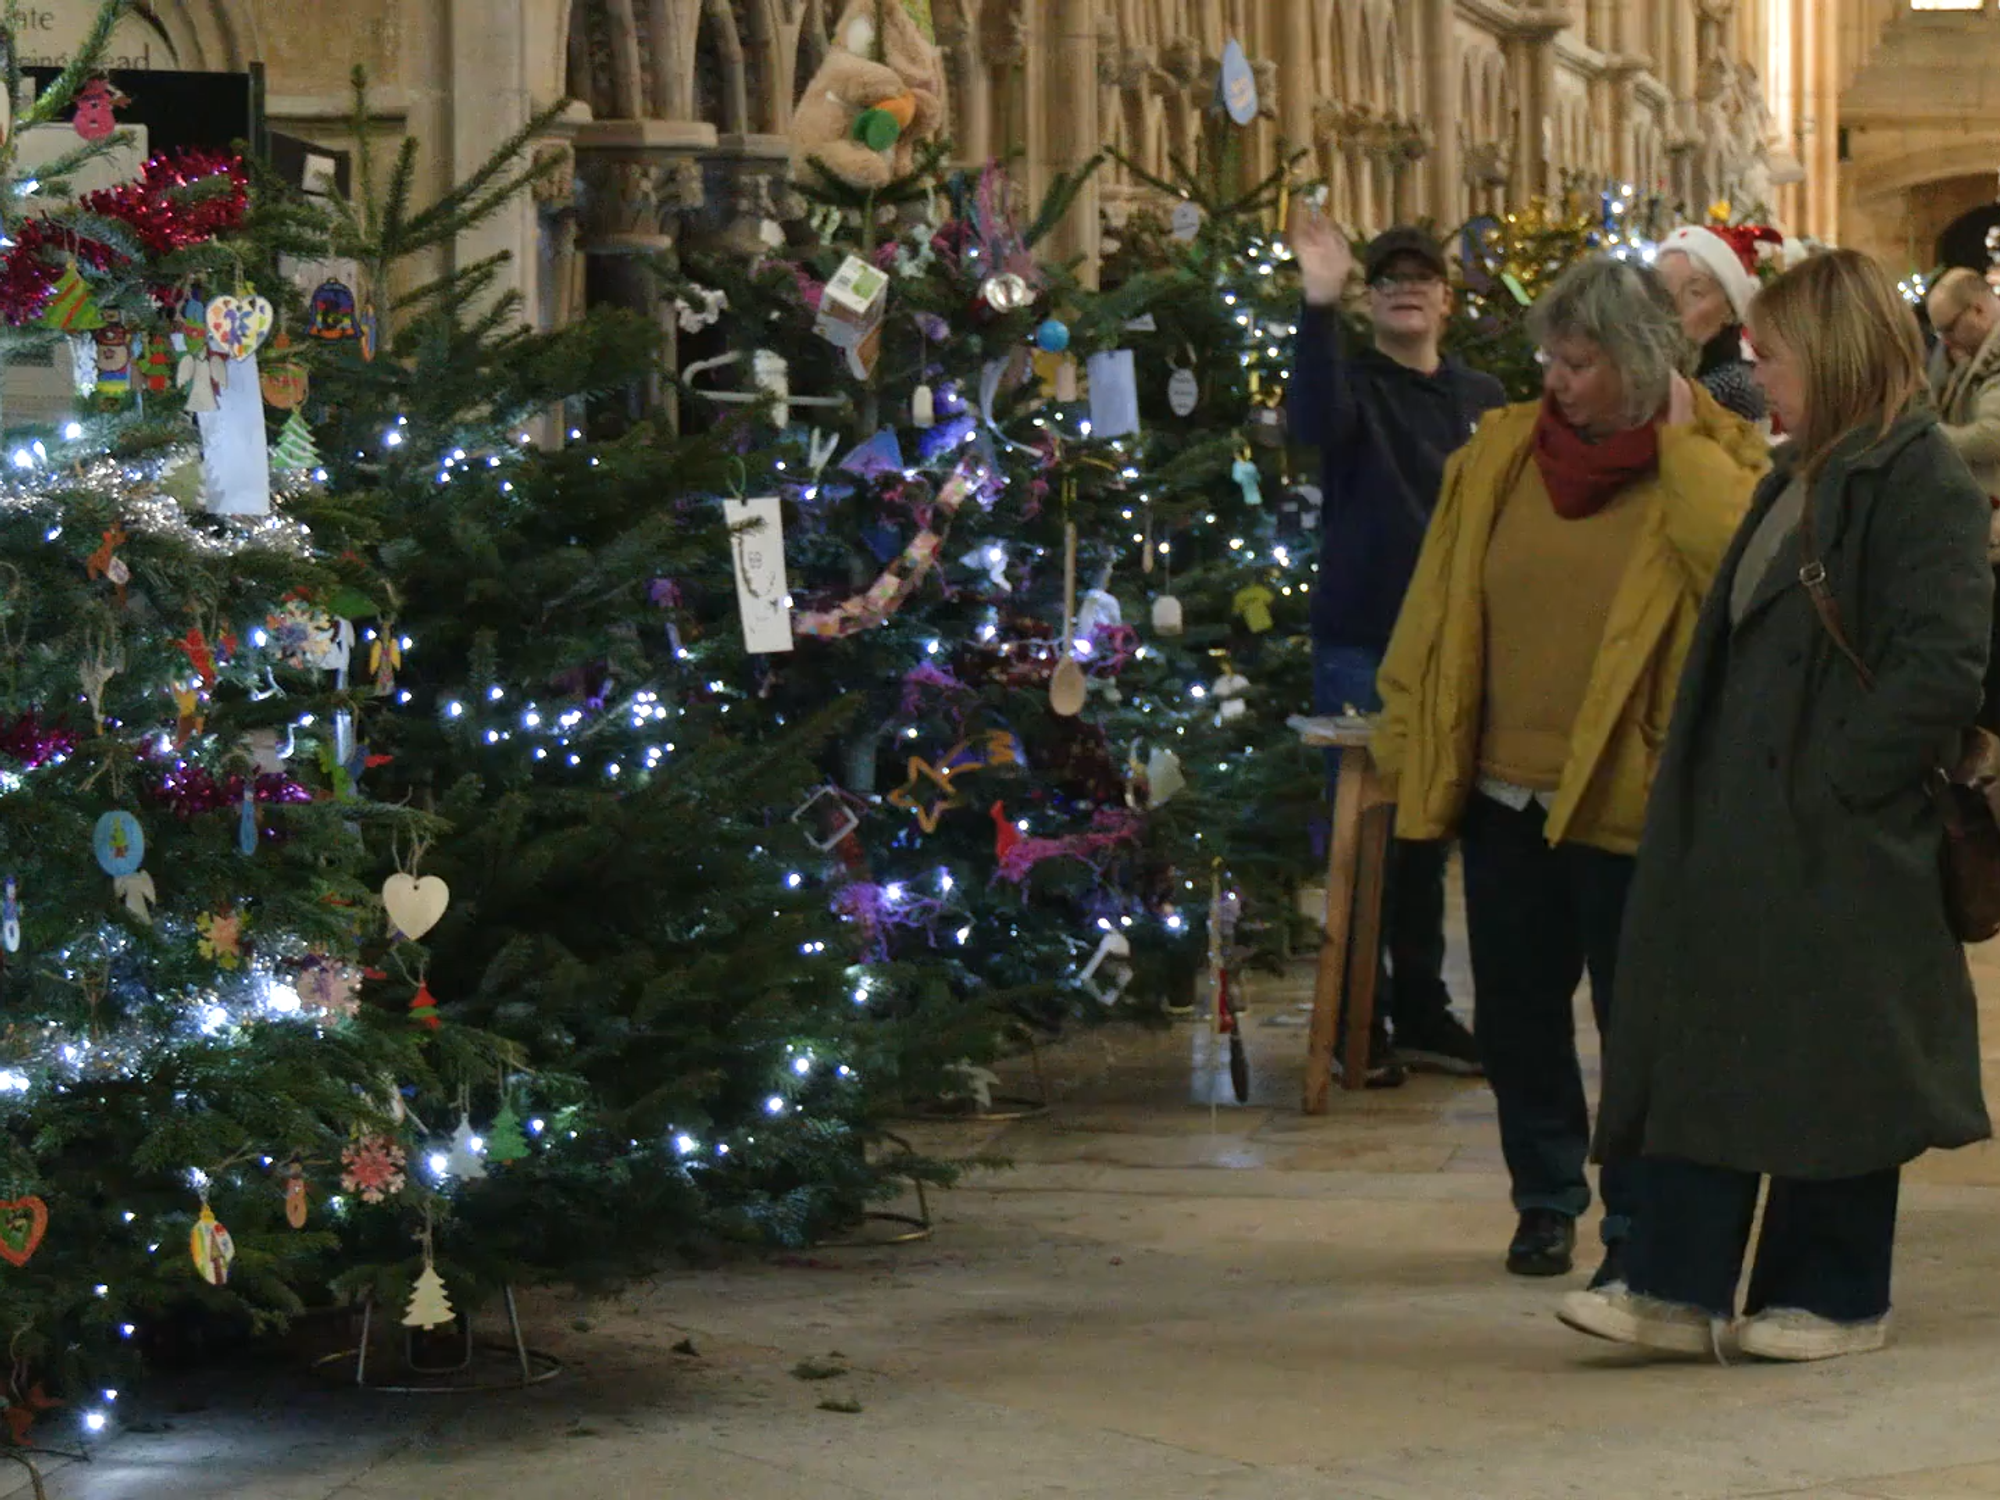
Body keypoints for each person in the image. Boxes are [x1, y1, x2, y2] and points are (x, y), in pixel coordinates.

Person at [1566, 249, 1993, 1363]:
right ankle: (1671, 1280)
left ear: (1838, 354)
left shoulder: (1917, 478)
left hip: (1840, 833)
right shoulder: (1796, 470)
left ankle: (1833, 1294)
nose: (1756, 374)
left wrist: (1840, 780)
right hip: (1747, 828)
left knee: (1834, 1064)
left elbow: (1942, 665)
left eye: (1775, 354)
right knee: (1720, 1043)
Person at [1372, 256, 1765, 1282]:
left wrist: (1679, 441)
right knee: (1514, 1010)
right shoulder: (1498, 454)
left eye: (1579, 364)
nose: (1554, 381)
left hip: (1628, 795)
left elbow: (1731, 575)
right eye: (1550, 359)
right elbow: (1436, 605)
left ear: (1638, 366)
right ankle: (1543, 1196)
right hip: (1504, 790)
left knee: (1635, 1022)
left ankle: (1635, 1217)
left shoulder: (1712, 461)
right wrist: (1405, 737)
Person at [1286, 212, 1506, 1085]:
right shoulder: (1351, 386)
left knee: (1426, 837)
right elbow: (1308, 420)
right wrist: (1317, 300)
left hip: (1458, 639)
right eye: (1388, 279)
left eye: (1421, 278)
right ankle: (1353, 1019)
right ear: (1371, 297)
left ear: (1447, 298)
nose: (1406, 287)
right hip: (1365, 635)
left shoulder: (1483, 397)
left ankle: (1420, 1011)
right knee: (1361, 835)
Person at [1655, 224, 1779, 425]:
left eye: (1695, 292)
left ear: (1730, 311)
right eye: (1662, 289)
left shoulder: (1734, 387)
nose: (1673, 305)